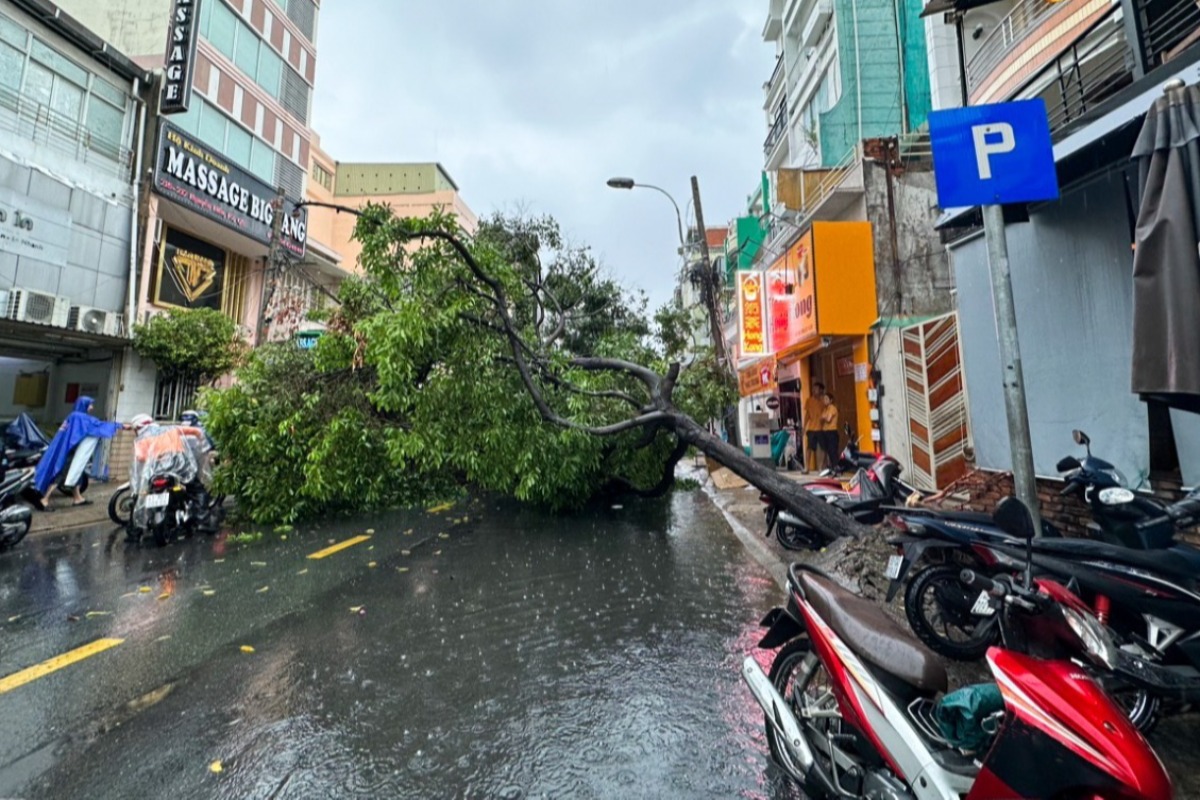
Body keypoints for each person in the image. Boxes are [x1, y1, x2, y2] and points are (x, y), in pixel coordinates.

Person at [34, 396, 127, 511]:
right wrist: (120, 426)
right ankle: (44, 500)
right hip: (70, 452)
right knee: (61, 475)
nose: (92, 407)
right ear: (84, 405)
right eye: (90, 404)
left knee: (76, 473)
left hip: (66, 449)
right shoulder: (80, 417)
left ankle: (78, 498)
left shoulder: (72, 416)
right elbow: (98, 425)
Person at [803, 382, 826, 473]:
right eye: (813, 388)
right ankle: (807, 467)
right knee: (809, 448)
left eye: (816, 389)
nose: (814, 390)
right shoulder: (809, 400)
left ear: (820, 390)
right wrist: (804, 427)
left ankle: (821, 467)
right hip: (811, 428)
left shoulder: (824, 401)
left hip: (821, 428)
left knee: (823, 448)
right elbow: (807, 415)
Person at [820, 393, 841, 471]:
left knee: (833, 450)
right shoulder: (825, 409)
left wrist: (824, 417)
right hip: (825, 432)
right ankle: (832, 466)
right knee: (828, 450)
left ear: (831, 400)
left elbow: (828, 419)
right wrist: (824, 417)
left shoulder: (832, 408)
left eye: (826, 399)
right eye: (824, 399)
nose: (824, 401)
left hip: (832, 432)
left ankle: (836, 466)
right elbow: (821, 418)